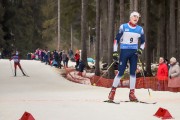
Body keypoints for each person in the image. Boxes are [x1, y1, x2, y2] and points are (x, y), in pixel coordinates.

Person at [108, 11, 145, 102]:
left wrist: (140, 49)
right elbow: (116, 40)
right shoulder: (123, 27)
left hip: (134, 53)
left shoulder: (140, 29)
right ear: (130, 17)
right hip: (124, 52)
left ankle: (132, 93)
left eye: (137, 17)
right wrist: (115, 52)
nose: (136, 18)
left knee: (133, 73)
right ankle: (112, 92)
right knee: (121, 72)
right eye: (134, 16)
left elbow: (143, 42)